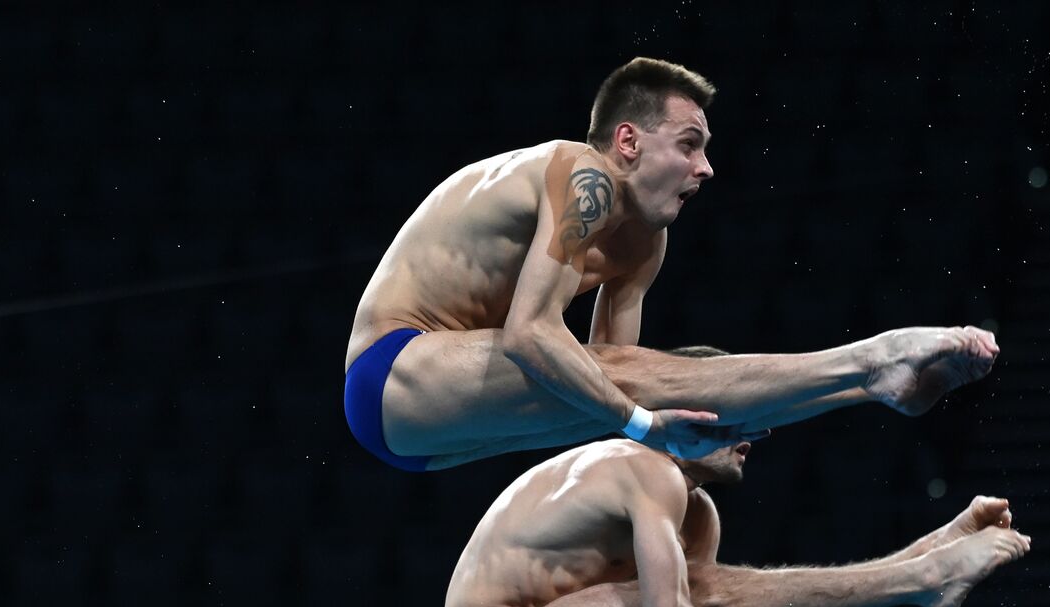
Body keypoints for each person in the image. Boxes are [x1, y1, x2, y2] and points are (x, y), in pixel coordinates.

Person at [344, 56, 999, 471]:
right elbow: (531, 335)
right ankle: (873, 362)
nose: (706, 168)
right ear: (628, 140)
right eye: (689, 145)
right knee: (653, 385)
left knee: (675, 378)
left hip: (432, 436)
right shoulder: (584, 176)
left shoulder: (647, 240)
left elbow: (613, 384)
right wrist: (649, 427)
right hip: (393, 369)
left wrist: (670, 433)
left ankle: (870, 388)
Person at [440, 385, 1032, 607]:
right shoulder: (645, 468)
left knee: (706, 601)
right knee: (691, 596)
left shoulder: (700, 516)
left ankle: (922, 563)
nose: (758, 434)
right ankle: (923, 581)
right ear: (683, 414)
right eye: (742, 416)